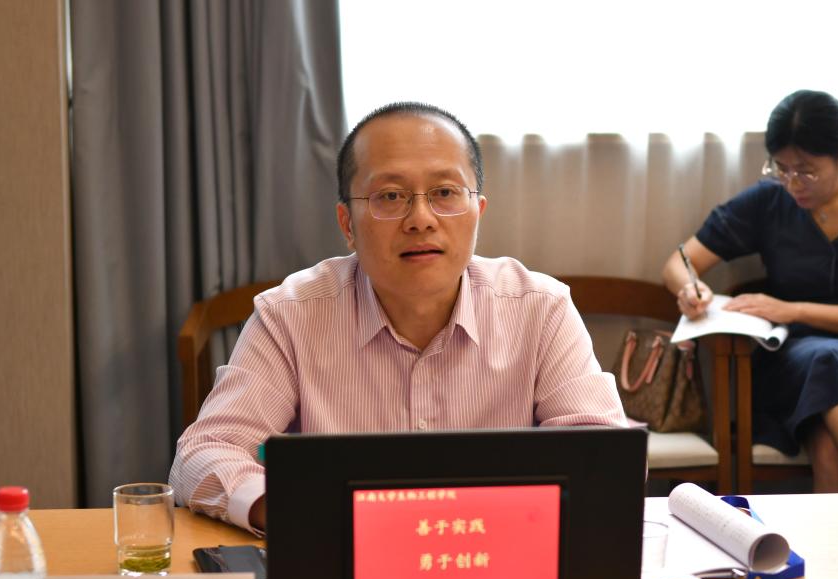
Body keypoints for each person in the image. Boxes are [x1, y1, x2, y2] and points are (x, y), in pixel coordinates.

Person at [171, 102, 629, 532]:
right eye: (390, 196)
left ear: (478, 212)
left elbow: (605, 457)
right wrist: (303, 511)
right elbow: (206, 452)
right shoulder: (291, 315)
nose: (421, 219)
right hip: (343, 560)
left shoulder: (540, 308)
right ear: (347, 225)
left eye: (445, 192)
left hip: (491, 555)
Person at [662, 89, 838, 493]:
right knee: (826, 362)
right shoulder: (769, 201)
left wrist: (791, 311)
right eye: (782, 168)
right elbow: (678, 262)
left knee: (828, 444)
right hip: (795, 364)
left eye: (806, 171)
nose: (793, 183)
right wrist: (692, 289)